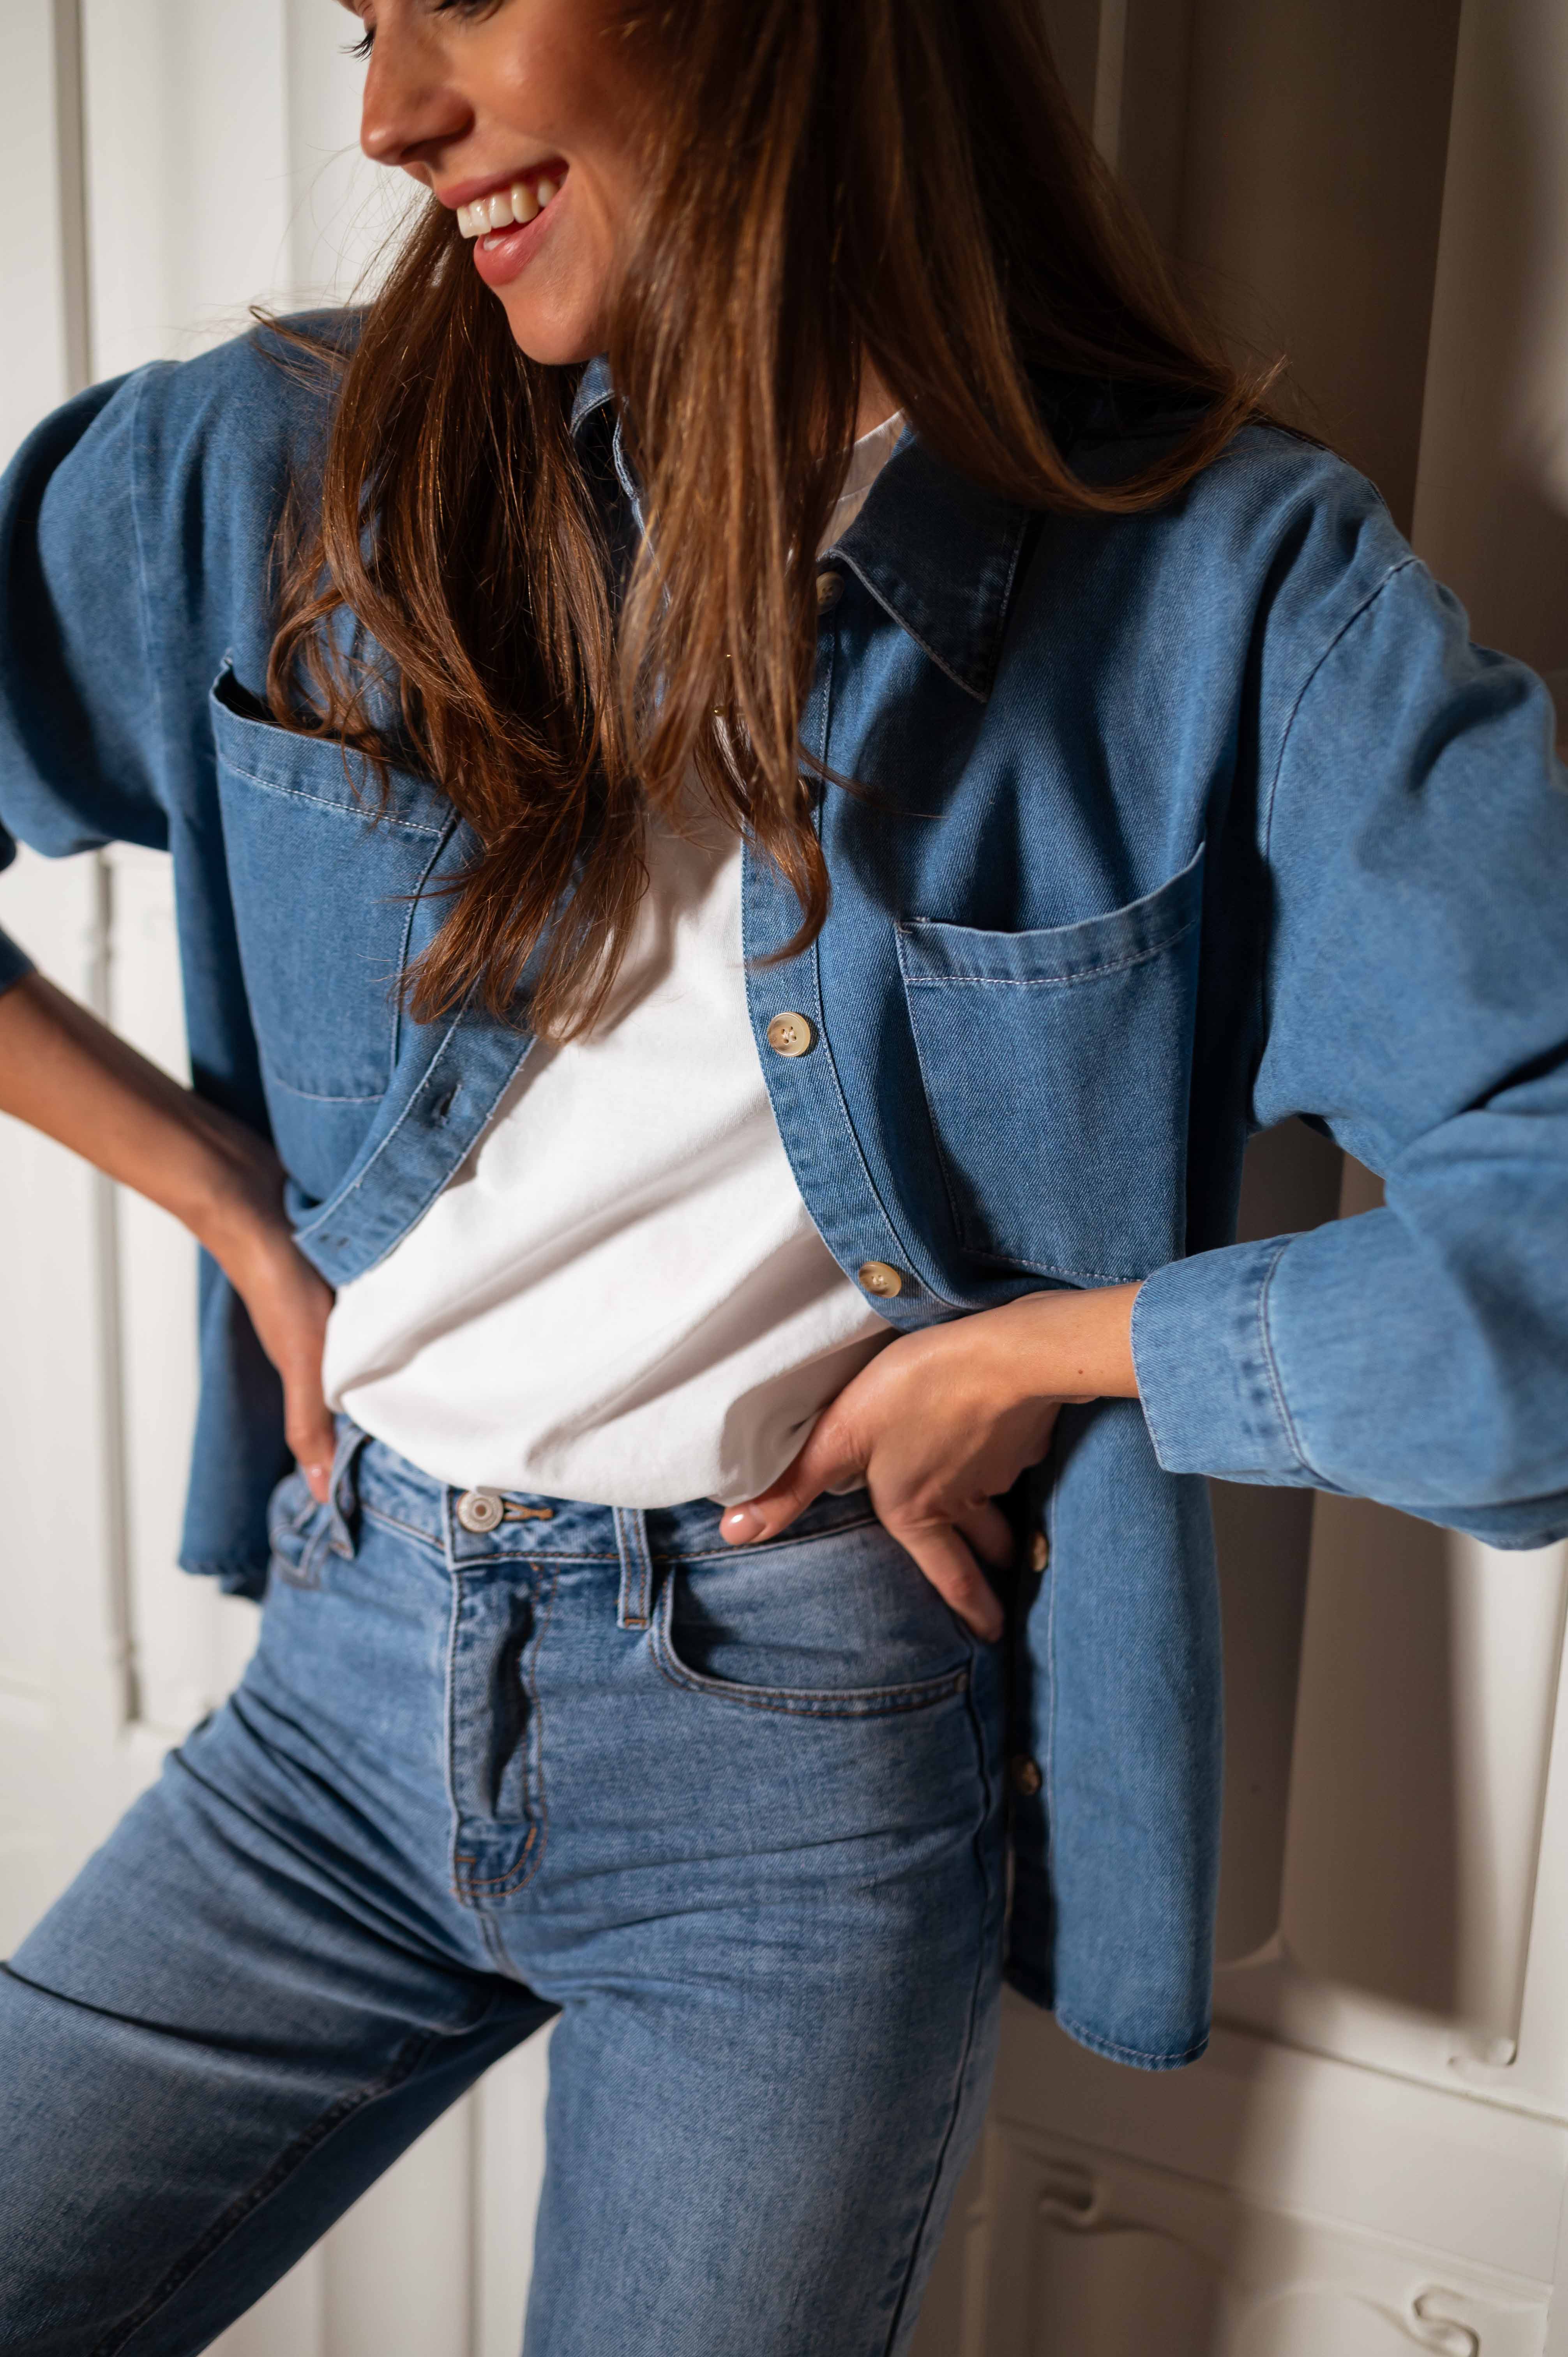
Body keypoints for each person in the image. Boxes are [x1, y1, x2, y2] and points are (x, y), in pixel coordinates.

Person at [2, 0, 1566, 2349]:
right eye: (357, 23)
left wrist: (1049, 1353)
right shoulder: (272, 474)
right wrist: (232, 1202)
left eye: (457, 1)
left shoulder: (1229, 590)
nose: (386, 114)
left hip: (796, 1773)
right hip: (343, 1679)